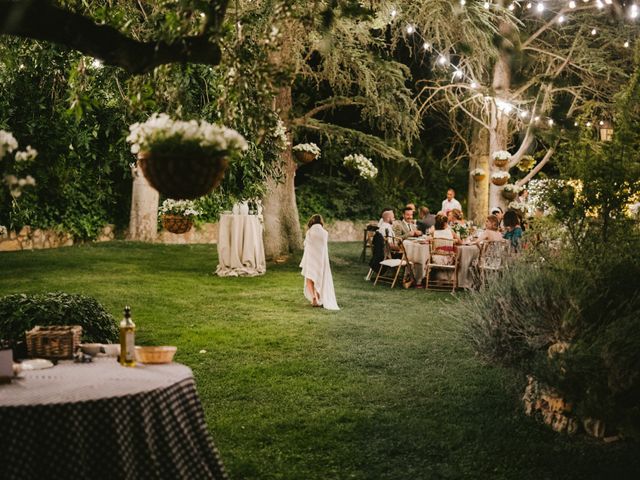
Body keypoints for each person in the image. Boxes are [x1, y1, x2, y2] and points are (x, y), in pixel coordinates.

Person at [299, 214, 339, 310]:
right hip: (321, 260)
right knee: (319, 278)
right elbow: (324, 248)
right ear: (321, 221)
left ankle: (313, 297)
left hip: (310, 259)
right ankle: (317, 297)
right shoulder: (325, 233)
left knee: (309, 279)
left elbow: (306, 245)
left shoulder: (309, 232)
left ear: (312, 221)